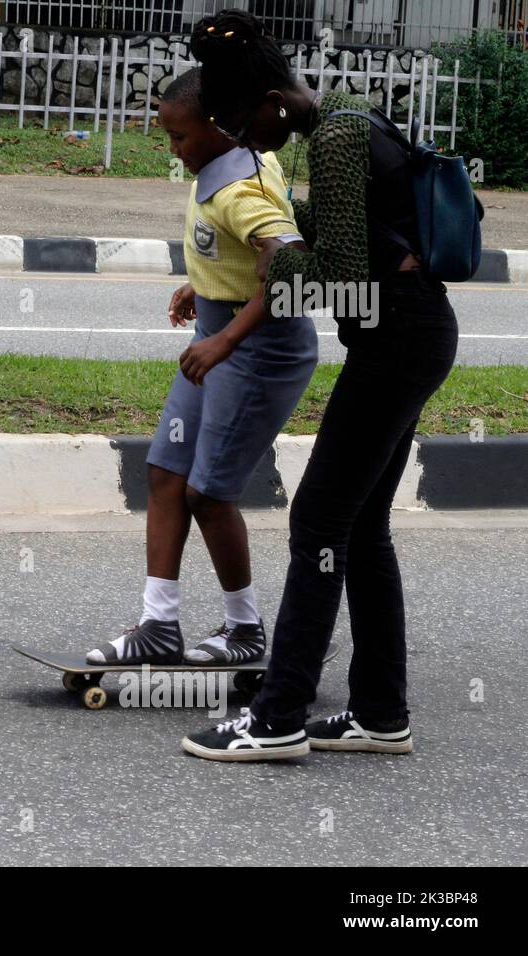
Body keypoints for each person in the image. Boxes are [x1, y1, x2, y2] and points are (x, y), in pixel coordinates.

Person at [181, 9, 458, 761]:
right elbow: (346, 245)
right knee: (361, 528)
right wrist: (279, 243)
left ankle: (278, 717)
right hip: (410, 332)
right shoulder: (344, 124)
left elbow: (330, 273)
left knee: (317, 525)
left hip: (397, 340)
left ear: (272, 101)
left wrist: (279, 262)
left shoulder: (335, 139)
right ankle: (379, 713)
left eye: (243, 123)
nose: (243, 140)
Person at [86, 68, 317, 669]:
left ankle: (245, 632)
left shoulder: (240, 190)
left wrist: (227, 337)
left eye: (180, 137)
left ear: (219, 127)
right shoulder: (227, 163)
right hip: (219, 335)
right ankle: (158, 624)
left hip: (259, 351)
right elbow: (240, 254)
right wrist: (207, 285)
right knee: (166, 469)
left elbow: (292, 265)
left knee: (209, 493)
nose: (173, 149)